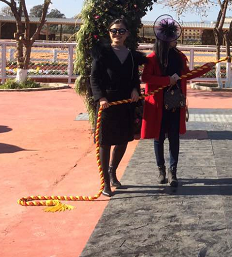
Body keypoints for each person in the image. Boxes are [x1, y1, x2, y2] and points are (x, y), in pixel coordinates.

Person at [141, 16, 213, 187]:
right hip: (158, 105)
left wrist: (206, 68)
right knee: (159, 137)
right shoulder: (152, 58)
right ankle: (161, 169)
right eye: (172, 37)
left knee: (174, 137)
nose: (175, 40)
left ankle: (173, 171)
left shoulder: (179, 57)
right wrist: (167, 80)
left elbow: (187, 74)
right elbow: (146, 78)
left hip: (174, 102)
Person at [90, 18, 146, 197]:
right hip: (107, 104)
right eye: (114, 30)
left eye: (121, 31)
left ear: (127, 34)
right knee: (105, 142)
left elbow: (134, 78)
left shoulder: (131, 55)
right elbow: (94, 78)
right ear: (109, 33)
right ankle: (105, 181)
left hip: (125, 103)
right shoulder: (102, 53)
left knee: (123, 140)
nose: (117, 34)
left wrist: (135, 90)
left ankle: (113, 171)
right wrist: (100, 98)